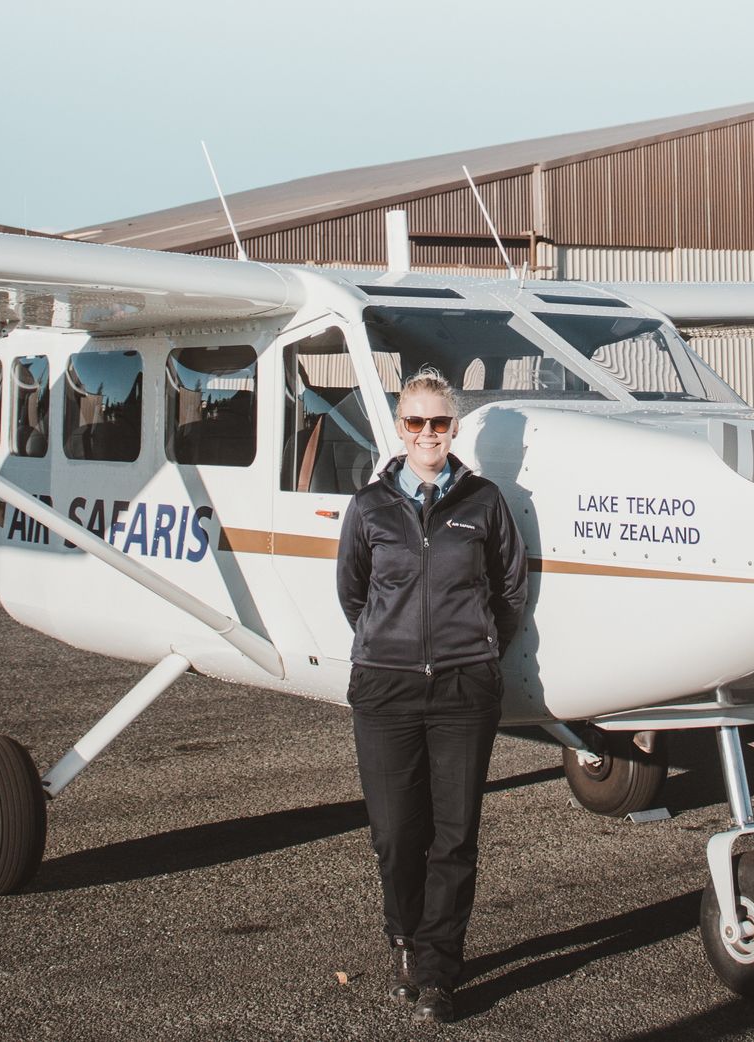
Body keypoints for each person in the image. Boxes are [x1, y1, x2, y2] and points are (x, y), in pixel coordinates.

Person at [336, 367, 528, 1024]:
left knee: (455, 835)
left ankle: (440, 970)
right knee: (396, 834)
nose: (427, 433)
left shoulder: (484, 502)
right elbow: (353, 594)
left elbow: (510, 589)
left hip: (463, 690)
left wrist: (476, 647)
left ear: (454, 428)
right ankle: (405, 942)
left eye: (438, 422)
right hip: (384, 689)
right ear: (399, 428)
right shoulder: (369, 507)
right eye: (415, 421)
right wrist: (389, 644)